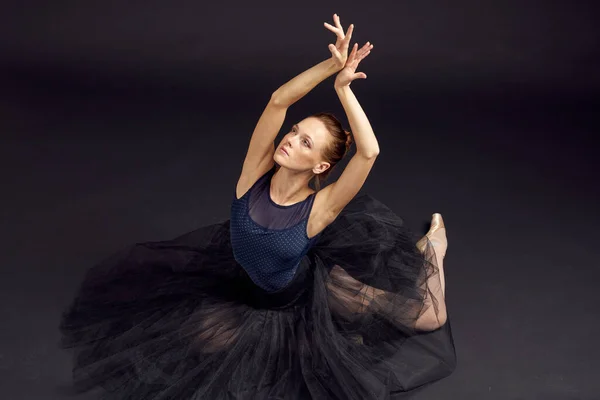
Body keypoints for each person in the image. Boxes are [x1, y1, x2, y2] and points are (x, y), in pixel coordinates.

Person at [58, 13, 456, 400]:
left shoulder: (319, 210)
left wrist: (343, 89)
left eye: (305, 143)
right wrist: (328, 65)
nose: (290, 139)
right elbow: (278, 100)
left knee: (426, 318)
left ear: (319, 166)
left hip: (303, 297)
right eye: (296, 131)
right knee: (197, 345)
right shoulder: (253, 175)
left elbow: (368, 153)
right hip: (247, 290)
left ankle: (434, 248)